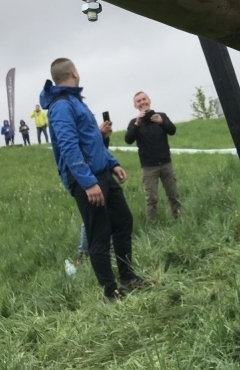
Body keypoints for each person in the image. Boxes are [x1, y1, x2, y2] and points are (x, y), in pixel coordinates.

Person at [41, 58, 147, 300]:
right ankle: (111, 292)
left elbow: (90, 142)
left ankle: (127, 277)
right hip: (87, 181)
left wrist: (112, 163)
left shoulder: (75, 101)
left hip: (103, 173)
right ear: (73, 72)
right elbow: (69, 148)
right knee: (99, 235)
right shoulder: (61, 106)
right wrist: (88, 183)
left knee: (123, 222)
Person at [124, 91, 181, 222]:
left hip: (166, 163)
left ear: (149, 100)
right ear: (135, 106)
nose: (142, 102)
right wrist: (137, 124)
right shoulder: (134, 122)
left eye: (144, 99)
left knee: (173, 194)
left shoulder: (161, 116)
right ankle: (152, 224)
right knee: (151, 199)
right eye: (138, 101)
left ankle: (179, 219)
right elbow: (128, 139)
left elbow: (172, 130)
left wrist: (162, 122)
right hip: (148, 166)